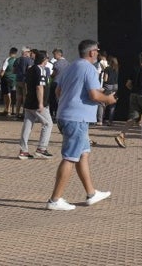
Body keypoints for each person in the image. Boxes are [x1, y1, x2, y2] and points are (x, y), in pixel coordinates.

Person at [46, 39, 116, 210]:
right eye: (97, 51)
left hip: (67, 115)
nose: (98, 54)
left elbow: (58, 90)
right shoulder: (89, 68)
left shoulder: (71, 66)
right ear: (92, 52)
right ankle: (55, 200)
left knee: (83, 154)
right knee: (70, 157)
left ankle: (91, 193)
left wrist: (69, 101)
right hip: (77, 119)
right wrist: (108, 99)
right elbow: (94, 95)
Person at [19, 50, 54, 159]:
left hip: (29, 101)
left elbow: (26, 85)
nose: (48, 60)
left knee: (27, 126)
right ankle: (42, 148)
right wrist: (40, 103)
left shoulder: (30, 69)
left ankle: (23, 150)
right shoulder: (41, 69)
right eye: (47, 58)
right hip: (37, 103)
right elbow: (39, 86)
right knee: (48, 124)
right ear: (44, 59)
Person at [100, 55, 120, 126]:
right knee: (112, 105)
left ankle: (100, 120)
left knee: (102, 103)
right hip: (115, 86)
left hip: (108, 86)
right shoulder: (117, 69)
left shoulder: (107, 69)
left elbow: (105, 79)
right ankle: (110, 121)